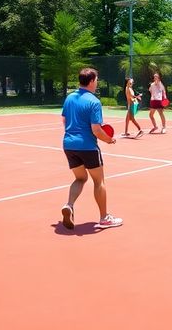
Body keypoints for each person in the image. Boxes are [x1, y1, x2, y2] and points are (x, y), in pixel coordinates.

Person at [60, 67, 122, 230]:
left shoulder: (69, 98)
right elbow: (96, 129)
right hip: (87, 146)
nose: (97, 82)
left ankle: (69, 205)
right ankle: (104, 218)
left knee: (80, 178)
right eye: (97, 80)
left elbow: (65, 121)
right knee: (98, 181)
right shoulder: (94, 101)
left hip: (68, 145)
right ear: (92, 81)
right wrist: (108, 140)